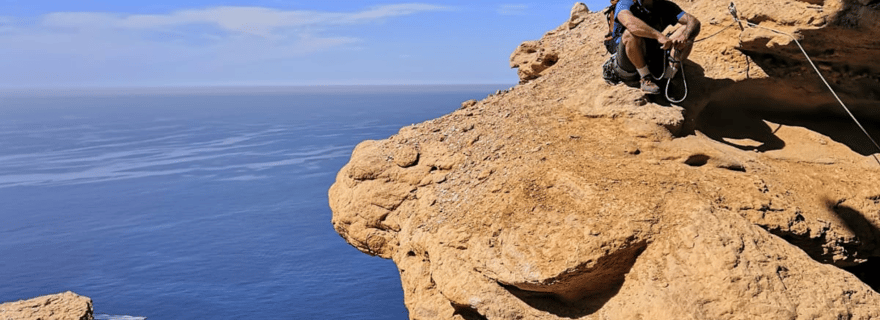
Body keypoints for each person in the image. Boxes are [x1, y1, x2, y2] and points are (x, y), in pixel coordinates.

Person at [611, 0, 701, 94]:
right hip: (629, 63)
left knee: (687, 30)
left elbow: (693, 22)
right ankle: (645, 78)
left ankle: (668, 78)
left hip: (653, 57)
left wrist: (684, 37)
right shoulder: (625, 3)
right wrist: (658, 36)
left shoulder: (665, 6)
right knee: (630, 34)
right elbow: (631, 24)